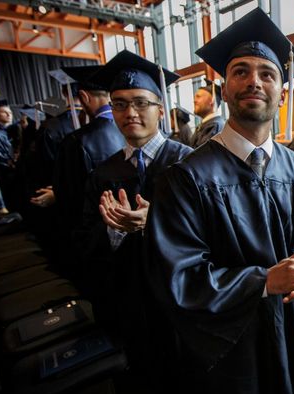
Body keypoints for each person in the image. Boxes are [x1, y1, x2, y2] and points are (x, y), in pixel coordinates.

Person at [146, 9, 294, 394]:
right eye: (240, 71)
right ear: (223, 88)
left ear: (283, 94)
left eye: (267, 74)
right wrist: (263, 282)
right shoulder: (185, 179)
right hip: (228, 352)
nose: (255, 81)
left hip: (293, 336)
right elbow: (178, 277)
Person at [77, 50, 193, 377]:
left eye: (141, 102)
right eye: (120, 103)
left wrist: (155, 221)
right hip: (129, 298)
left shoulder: (190, 163)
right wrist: (115, 229)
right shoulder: (103, 173)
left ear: (159, 109)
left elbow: (213, 230)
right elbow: (85, 238)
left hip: (179, 296)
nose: (131, 112)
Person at [52, 65, 124, 251]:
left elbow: (67, 195)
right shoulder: (133, 131)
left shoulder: (76, 141)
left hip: (94, 232)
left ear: (83, 97)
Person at [189, 79, 225, 147]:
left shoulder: (215, 126)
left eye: (198, 97)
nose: (194, 101)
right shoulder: (206, 124)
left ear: (211, 100)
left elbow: (202, 155)